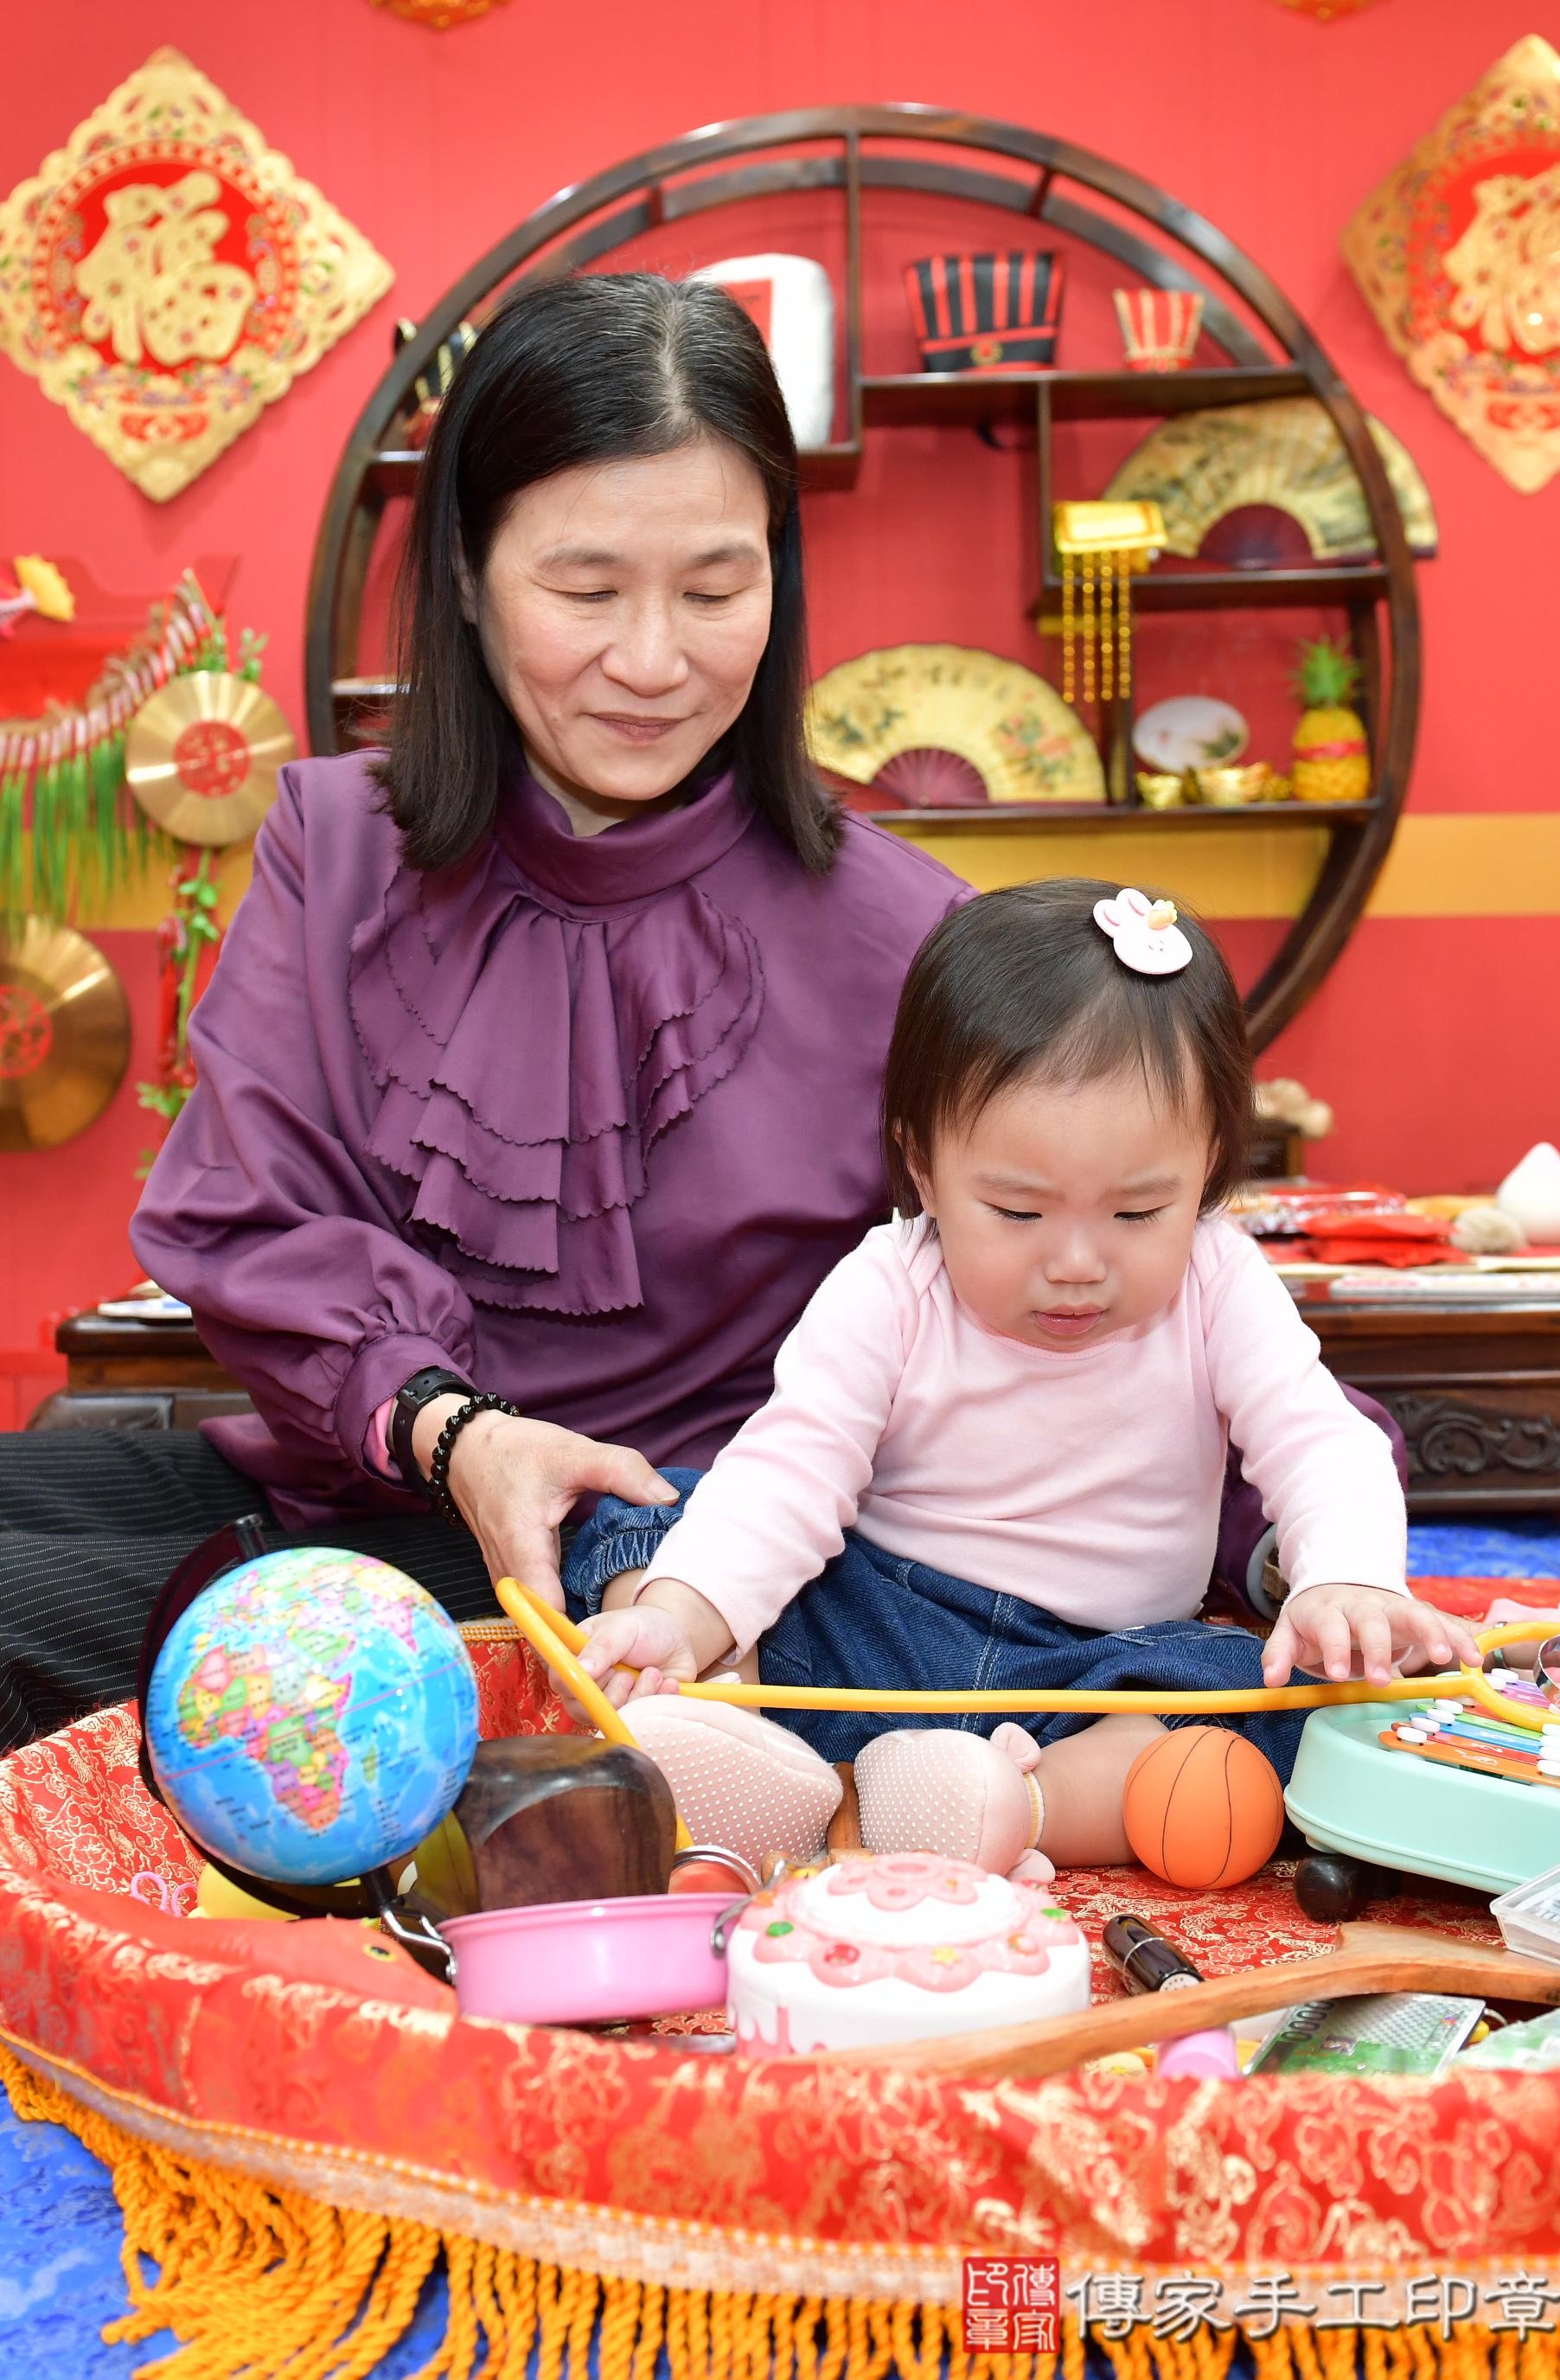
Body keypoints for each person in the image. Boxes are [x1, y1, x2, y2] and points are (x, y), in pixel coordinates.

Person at [0, 272, 967, 1751]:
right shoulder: (334, 844)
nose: (653, 661)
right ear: (464, 569)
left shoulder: (912, 936)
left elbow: (1105, 1295)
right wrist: (454, 1429)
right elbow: (251, 1216)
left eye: (716, 589)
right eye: (585, 589)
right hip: (366, 1470)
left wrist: (1304, 1542)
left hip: (656, 1577)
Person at [565, 882, 1482, 1877]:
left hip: (1100, 1673)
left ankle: (1005, 1806)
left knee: (1275, 1700)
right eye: (1015, 1209)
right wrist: (684, 1612)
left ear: (1212, 1165)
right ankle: (729, 1730)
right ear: (922, 1164)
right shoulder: (890, 1283)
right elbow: (789, 1476)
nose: (1078, 1262)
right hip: (880, 1627)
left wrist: (1347, 1579)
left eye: (1137, 1214)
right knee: (661, 1516)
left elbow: (1319, 1441)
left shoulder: (1222, 1280)